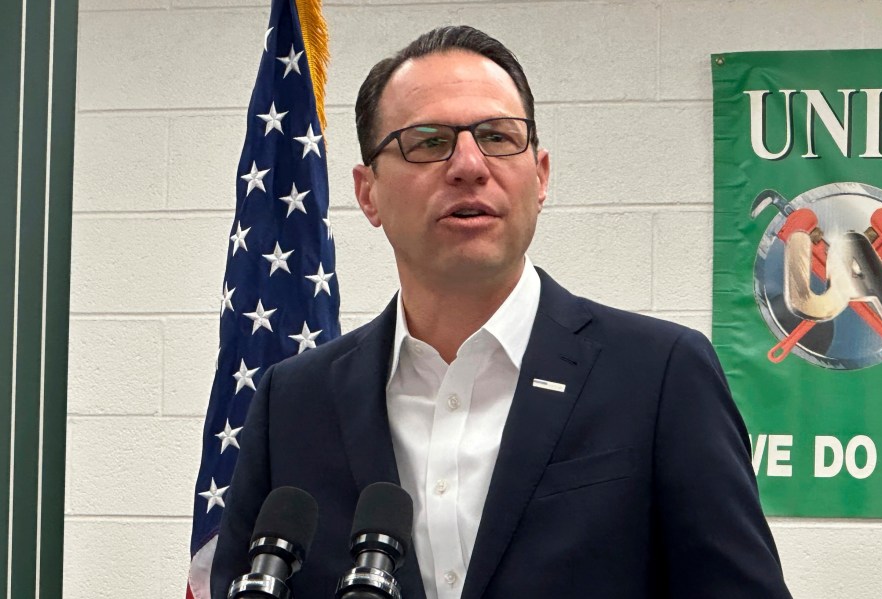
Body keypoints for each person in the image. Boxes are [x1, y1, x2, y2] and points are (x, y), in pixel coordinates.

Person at [211, 25, 793, 599]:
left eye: (497, 136)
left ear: (540, 177)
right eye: (429, 141)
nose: (469, 164)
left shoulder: (661, 374)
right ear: (369, 194)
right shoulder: (294, 402)